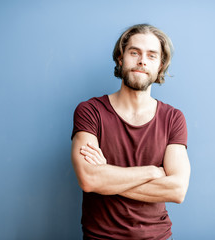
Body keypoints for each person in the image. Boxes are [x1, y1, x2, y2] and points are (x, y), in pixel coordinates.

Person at [71, 23, 191, 240]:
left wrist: (107, 176)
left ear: (160, 65)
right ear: (120, 58)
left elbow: (177, 190)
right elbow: (89, 179)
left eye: (151, 55)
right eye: (134, 52)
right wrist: (152, 172)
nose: (142, 60)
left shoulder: (173, 118)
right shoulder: (90, 111)